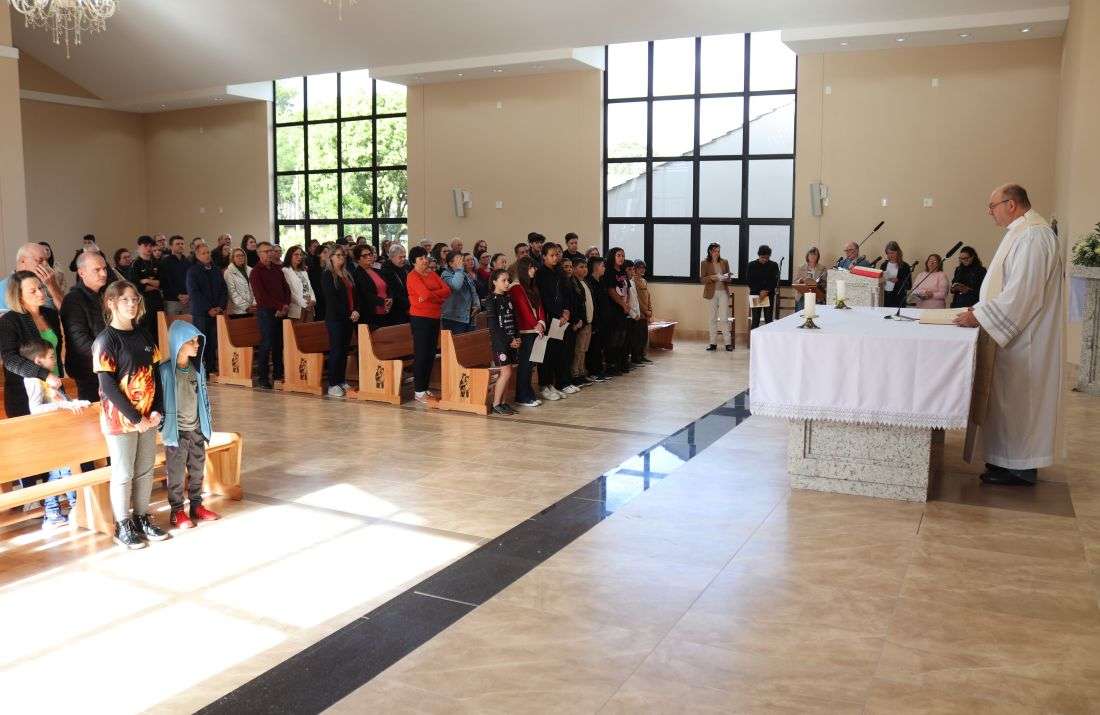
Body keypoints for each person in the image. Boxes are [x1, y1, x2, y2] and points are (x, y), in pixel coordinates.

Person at [953, 184, 1064, 486]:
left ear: (1011, 204)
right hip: (1013, 337)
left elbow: (1022, 294)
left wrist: (979, 315)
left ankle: (1021, 468)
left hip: (1026, 340)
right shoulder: (1020, 232)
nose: (990, 212)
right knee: (1006, 403)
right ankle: (1005, 461)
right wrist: (981, 308)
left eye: (993, 206)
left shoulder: (1034, 236)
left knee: (1020, 402)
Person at [94, 280, 168, 549]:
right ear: (111, 303)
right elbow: (107, 386)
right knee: (124, 472)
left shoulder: (144, 335)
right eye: (125, 299)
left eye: (135, 299)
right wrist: (136, 419)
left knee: (145, 470)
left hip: (148, 417)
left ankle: (141, 518)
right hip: (121, 420)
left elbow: (156, 375)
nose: (132, 304)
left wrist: (158, 409)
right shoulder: (106, 340)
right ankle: (122, 524)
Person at [21, 338, 90, 528]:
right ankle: (72, 508)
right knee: (64, 471)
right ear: (38, 361)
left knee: (60, 472)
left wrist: (71, 403)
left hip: (59, 433)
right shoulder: (33, 380)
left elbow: (57, 401)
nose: (54, 360)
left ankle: (56, 512)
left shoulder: (45, 378)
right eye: (51, 357)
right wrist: (64, 405)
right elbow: (35, 409)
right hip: (50, 435)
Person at [159, 320, 221, 529]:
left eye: (197, 341)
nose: (196, 345)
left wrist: (206, 424)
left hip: (195, 429)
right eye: (191, 342)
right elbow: (158, 402)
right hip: (176, 433)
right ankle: (177, 511)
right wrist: (163, 427)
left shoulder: (197, 368)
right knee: (176, 474)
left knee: (197, 470)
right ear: (178, 343)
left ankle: (196, 506)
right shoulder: (166, 371)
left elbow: (203, 397)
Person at [1, 271, 65, 419]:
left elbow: (57, 346)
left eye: (41, 287)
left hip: (54, 387)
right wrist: (44, 374)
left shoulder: (50, 314)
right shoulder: (9, 321)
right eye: (33, 291)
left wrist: (56, 376)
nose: (40, 293)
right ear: (19, 296)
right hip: (23, 394)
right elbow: (10, 360)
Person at [60, 252, 109, 402]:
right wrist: (110, 357)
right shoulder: (73, 299)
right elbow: (79, 341)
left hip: (106, 363)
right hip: (88, 367)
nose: (103, 273)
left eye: (105, 268)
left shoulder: (103, 295)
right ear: (81, 272)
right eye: (97, 269)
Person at [406, 246, 451, 403]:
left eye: (425, 257)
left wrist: (432, 297)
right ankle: (419, 391)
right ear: (413, 262)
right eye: (420, 258)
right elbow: (424, 294)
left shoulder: (431, 273)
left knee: (431, 353)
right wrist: (436, 297)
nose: (425, 260)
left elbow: (447, 290)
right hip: (420, 318)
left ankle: (424, 388)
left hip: (434, 316)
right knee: (421, 354)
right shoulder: (412, 276)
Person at [535, 242, 576, 399]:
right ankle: (544, 385)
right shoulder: (540, 274)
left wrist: (566, 311)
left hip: (561, 319)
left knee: (559, 352)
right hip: (548, 318)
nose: (555, 258)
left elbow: (566, 294)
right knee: (545, 354)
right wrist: (558, 314)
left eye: (557, 254)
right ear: (544, 256)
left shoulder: (560, 272)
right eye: (551, 255)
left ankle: (557, 383)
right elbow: (544, 298)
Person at [249, 242, 290, 389]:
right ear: (259, 254)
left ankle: (278, 375)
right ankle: (263, 378)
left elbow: (286, 288)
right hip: (266, 312)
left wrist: (285, 304)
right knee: (266, 345)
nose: (269, 254)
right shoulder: (256, 272)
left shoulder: (277, 269)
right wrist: (279, 306)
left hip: (281, 311)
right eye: (266, 251)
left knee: (279, 345)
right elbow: (261, 296)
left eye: (271, 251)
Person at [320, 246, 358, 397]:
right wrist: (349, 312)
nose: (341, 257)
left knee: (344, 350)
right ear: (331, 257)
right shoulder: (327, 275)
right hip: (336, 318)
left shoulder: (347, 274)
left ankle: (341, 380)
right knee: (336, 350)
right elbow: (332, 299)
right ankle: (332, 384)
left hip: (349, 318)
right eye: (338, 255)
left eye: (343, 255)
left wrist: (356, 310)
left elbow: (354, 295)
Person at [509, 256, 546, 408]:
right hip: (525, 330)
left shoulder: (532, 287)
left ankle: (528, 392)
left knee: (531, 365)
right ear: (524, 269)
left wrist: (542, 322)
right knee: (525, 364)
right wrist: (535, 325)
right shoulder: (516, 287)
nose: (534, 270)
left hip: (536, 329)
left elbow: (540, 307)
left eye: (535, 267)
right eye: (531, 267)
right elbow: (523, 310)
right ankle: (522, 395)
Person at [186, 242, 228, 373]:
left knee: (213, 341)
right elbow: (194, 293)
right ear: (197, 255)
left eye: (208, 252)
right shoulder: (192, 271)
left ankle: (211, 368)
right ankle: (199, 369)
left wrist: (220, 307)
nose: (207, 255)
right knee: (201, 342)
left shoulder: (215, 269)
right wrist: (208, 309)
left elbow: (223, 289)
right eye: (203, 253)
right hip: (201, 313)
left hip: (217, 312)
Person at [484, 268, 520, 415]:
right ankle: (496, 403)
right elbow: (495, 327)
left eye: (508, 280)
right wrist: (509, 340)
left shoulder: (508, 298)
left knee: (508, 372)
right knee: (505, 371)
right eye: (503, 280)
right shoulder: (491, 300)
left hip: (511, 340)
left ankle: (503, 403)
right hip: (500, 343)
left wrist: (517, 337)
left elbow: (514, 320)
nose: (507, 283)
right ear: (494, 282)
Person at [0, 242, 65, 311]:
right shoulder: (3, 288)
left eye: (47, 261)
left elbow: (67, 313)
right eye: (40, 261)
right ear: (23, 261)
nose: (46, 265)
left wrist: (53, 286)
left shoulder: (47, 282)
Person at [602, 247, 632, 375]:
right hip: (613, 309)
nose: (621, 258)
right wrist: (622, 304)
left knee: (622, 337)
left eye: (623, 256)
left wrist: (627, 303)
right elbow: (611, 291)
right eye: (618, 255)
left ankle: (620, 362)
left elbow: (628, 289)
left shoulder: (623, 272)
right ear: (613, 257)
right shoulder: (609, 272)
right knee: (613, 338)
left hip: (623, 308)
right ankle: (611, 365)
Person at [700, 242, 733, 351]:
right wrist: (714, 277)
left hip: (723, 291)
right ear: (710, 251)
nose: (717, 253)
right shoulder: (704, 263)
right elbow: (703, 279)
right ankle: (713, 343)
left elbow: (729, 279)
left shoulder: (724, 262)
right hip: (711, 293)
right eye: (715, 251)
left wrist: (727, 277)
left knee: (724, 318)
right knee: (712, 318)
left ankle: (728, 343)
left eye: (718, 251)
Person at [130, 235, 164, 336]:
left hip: (157, 301)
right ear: (139, 247)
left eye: (150, 246)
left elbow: (162, 282)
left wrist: (146, 280)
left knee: (160, 329)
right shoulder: (135, 264)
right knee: (146, 329)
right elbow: (136, 286)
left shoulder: (157, 263)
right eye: (145, 246)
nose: (149, 248)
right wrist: (154, 286)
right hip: (144, 302)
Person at [566, 258, 593, 387]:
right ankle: (575, 374)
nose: (584, 269)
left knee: (584, 349)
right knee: (579, 349)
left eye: (586, 267)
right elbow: (576, 304)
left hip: (588, 320)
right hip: (581, 321)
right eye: (581, 267)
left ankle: (581, 371)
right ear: (575, 269)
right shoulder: (573, 283)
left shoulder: (585, 282)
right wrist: (578, 319)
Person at [585, 256, 611, 382]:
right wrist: (595, 321)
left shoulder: (601, 281)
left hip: (603, 320)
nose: (604, 268)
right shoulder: (589, 282)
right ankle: (593, 371)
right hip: (595, 320)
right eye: (602, 266)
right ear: (596, 267)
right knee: (593, 347)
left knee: (600, 346)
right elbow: (593, 304)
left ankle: (599, 369)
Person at [441, 252, 479, 334]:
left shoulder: (464, 273)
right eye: (459, 260)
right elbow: (456, 286)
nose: (462, 262)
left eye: (462, 259)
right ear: (451, 263)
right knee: (456, 345)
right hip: (453, 318)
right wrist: (459, 270)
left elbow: (473, 291)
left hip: (467, 316)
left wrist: (477, 304)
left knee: (468, 344)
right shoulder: (446, 274)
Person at [747, 245, 780, 329]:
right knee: (755, 319)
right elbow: (749, 281)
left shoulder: (774, 265)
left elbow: (774, 280)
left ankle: (768, 341)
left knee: (768, 319)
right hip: (755, 294)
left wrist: (766, 291)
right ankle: (754, 341)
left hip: (768, 295)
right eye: (763, 257)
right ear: (759, 255)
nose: (765, 259)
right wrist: (759, 291)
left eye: (767, 257)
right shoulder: (751, 265)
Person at [282, 246, 317, 321]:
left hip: (310, 305)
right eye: (296, 254)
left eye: (301, 255)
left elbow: (309, 287)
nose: (299, 257)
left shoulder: (303, 271)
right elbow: (289, 291)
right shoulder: (285, 270)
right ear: (290, 256)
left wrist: (313, 300)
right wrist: (304, 304)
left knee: (310, 331)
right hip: (296, 307)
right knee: (297, 331)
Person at [160, 235, 191, 318]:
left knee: (188, 327)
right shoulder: (165, 262)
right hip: (172, 301)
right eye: (177, 244)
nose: (180, 245)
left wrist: (188, 295)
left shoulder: (188, 262)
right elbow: (165, 282)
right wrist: (177, 295)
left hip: (188, 300)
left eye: (182, 244)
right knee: (173, 327)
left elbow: (191, 281)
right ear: (171, 246)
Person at [380, 244, 411, 325]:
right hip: (396, 310)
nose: (403, 259)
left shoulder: (406, 268)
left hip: (409, 306)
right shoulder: (385, 271)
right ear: (391, 257)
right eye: (400, 257)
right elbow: (392, 291)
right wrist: (408, 303)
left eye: (404, 256)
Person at [224, 248, 256, 318]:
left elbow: (256, 289)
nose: (240, 257)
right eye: (237, 256)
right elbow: (232, 293)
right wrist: (246, 307)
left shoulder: (251, 270)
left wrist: (254, 304)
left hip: (253, 308)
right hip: (238, 311)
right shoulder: (228, 272)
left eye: (242, 255)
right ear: (233, 258)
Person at [633, 260, 654, 364]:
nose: (642, 270)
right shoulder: (633, 281)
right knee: (638, 336)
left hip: (646, 313)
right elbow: (637, 299)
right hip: (639, 313)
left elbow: (648, 297)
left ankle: (642, 355)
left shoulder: (644, 281)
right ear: (635, 269)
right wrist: (645, 311)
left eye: (643, 268)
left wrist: (650, 310)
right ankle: (636, 357)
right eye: (639, 267)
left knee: (644, 336)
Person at [794, 247, 826, 311]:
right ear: (807, 256)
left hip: (816, 296)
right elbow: (795, 282)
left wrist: (817, 283)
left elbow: (824, 283)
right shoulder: (801, 267)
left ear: (818, 256)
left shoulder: (822, 268)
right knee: (801, 316)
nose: (813, 256)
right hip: (802, 295)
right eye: (811, 254)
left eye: (815, 254)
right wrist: (800, 280)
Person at [881, 240, 911, 308]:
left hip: (898, 298)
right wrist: (882, 280)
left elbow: (909, 285)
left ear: (898, 253)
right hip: (885, 296)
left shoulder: (905, 266)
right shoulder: (884, 265)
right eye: (888, 253)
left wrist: (898, 281)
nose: (890, 255)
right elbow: (880, 279)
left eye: (892, 253)